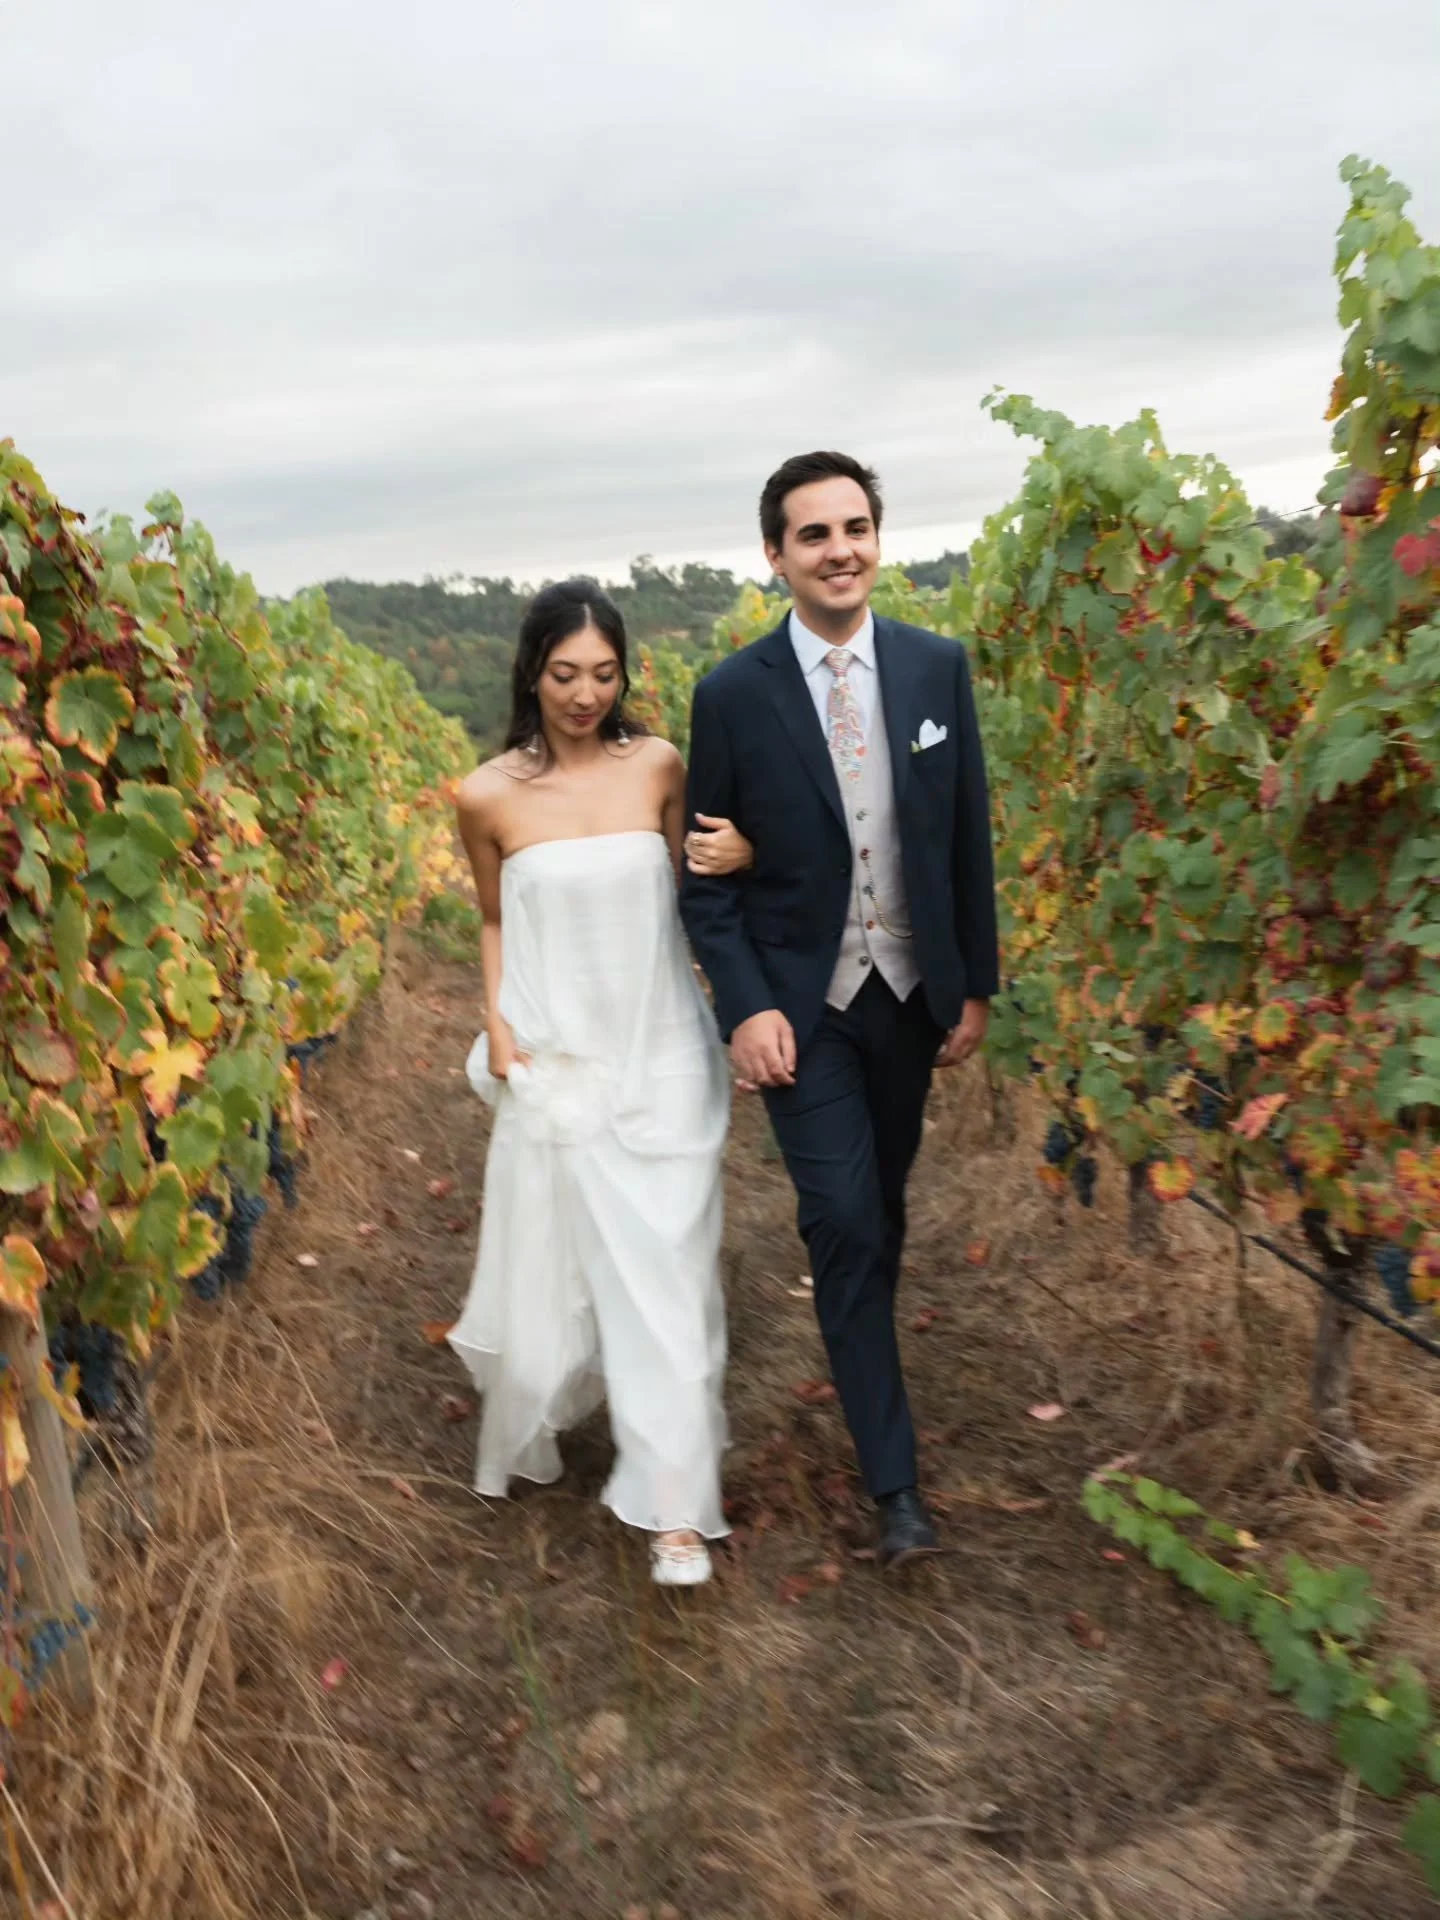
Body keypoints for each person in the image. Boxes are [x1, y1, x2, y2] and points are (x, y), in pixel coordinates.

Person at [679, 452, 999, 1570]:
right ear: (775, 555)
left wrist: (974, 983)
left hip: (911, 996)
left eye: (855, 527)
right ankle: (896, 1490)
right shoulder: (731, 694)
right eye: (813, 534)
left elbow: (965, 836)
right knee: (845, 1217)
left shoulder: (935, 669)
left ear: (877, 538)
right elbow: (705, 882)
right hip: (802, 1010)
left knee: (880, 1212)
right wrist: (744, 1009)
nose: (840, 549)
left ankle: (863, 1350)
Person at [448, 580, 753, 1587]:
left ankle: (676, 1511)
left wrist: (744, 853)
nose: (586, 694)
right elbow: (495, 918)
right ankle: (629, 1435)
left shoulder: (658, 766)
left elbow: (700, 890)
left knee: (672, 1278)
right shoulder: (486, 796)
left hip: (665, 1055)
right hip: (564, 1061)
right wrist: (499, 1025)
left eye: (605, 674)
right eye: (566, 674)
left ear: (625, 675)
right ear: (532, 674)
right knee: (589, 1272)